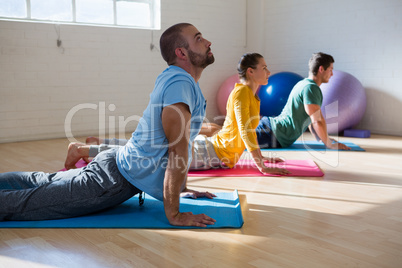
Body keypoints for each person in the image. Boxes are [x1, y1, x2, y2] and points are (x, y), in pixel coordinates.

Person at [0, 23, 217, 227]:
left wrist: (183, 189)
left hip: (115, 163)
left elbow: (180, 146)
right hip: (111, 181)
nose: (207, 41)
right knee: (32, 203)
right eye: (198, 39)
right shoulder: (180, 82)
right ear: (181, 52)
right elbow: (177, 150)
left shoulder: (182, 81)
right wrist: (175, 215)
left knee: (44, 182)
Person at [190, 53, 290, 175]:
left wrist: (261, 158)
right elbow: (245, 129)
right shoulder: (241, 92)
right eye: (264, 68)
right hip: (206, 153)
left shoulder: (253, 96)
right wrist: (262, 167)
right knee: (164, 160)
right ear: (250, 71)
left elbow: (251, 132)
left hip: (215, 154)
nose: (268, 72)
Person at [255, 52, 351, 150]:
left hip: (272, 132)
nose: (332, 74)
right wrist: (329, 144)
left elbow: (309, 119)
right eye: (330, 70)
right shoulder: (311, 88)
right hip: (270, 133)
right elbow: (317, 120)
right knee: (239, 141)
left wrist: (322, 139)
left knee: (240, 137)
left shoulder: (304, 84)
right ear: (321, 69)